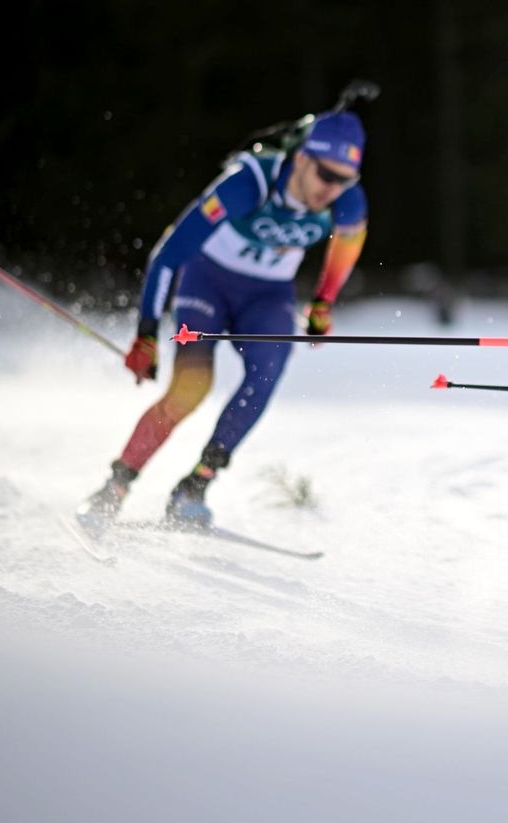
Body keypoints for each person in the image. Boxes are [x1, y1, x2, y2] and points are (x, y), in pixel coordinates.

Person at [77, 109, 369, 531]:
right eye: (326, 174)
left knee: (268, 371)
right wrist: (147, 334)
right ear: (303, 158)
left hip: (267, 295)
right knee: (192, 387)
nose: (333, 189)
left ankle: (195, 486)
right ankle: (115, 486)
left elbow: (347, 247)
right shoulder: (247, 184)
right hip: (208, 283)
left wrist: (323, 302)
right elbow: (167, 256)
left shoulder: (347, 200)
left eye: (345, 179)